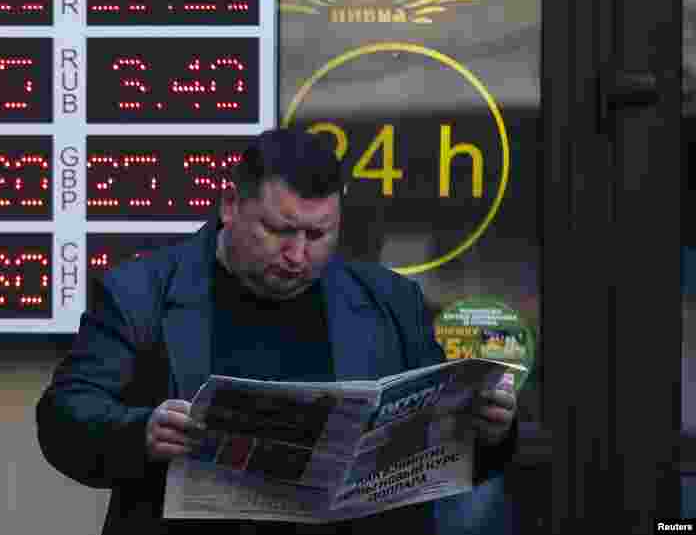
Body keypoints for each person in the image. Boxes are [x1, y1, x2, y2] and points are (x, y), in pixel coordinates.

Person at [36, 128, 518, 534]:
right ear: (230, 205)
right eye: (279, 230)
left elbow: (448, 454)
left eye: (318, 235)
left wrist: (488, 431)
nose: (297, 255)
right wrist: (140, 432)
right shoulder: (140, 294)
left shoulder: (390, 301)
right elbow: (64, 417)